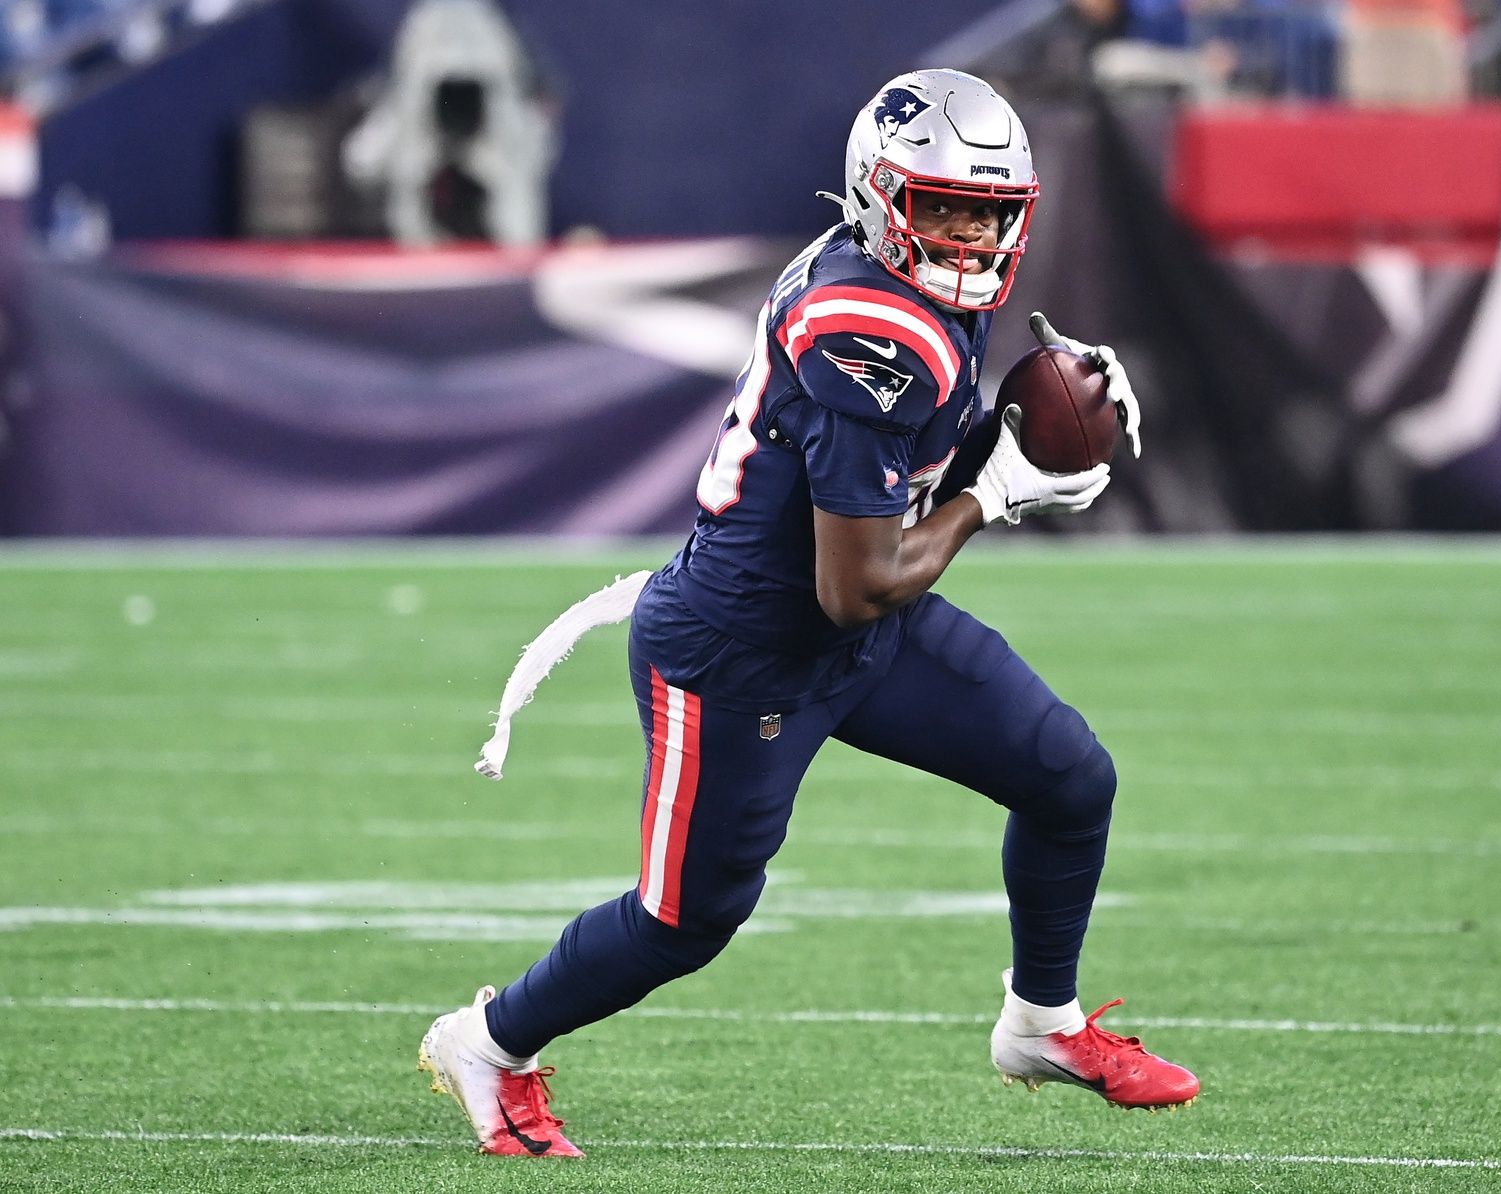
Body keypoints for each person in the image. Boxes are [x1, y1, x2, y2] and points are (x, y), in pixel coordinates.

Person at [416, 68, 1200, 1159]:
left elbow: (890, 509)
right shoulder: (871, 328)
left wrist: (1023, 421)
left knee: (1069, 775)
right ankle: (488, 1042)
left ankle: (1042, 1023)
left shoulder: (903, 289)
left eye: (991, 212)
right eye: (946, 207)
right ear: (882, 198)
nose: (972, 236)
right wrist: (1001, 490)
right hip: (743, 655)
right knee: (684, 922)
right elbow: (859, 579)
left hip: (852, 633)